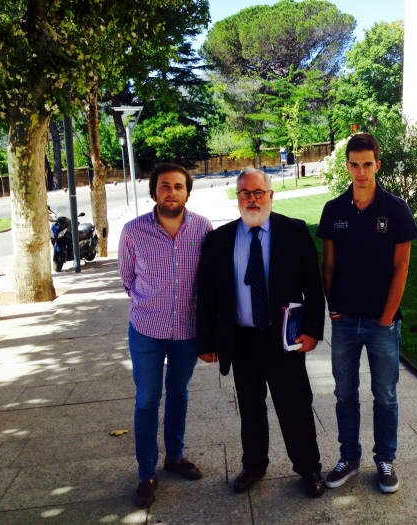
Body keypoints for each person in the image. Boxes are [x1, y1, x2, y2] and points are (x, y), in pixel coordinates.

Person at [196, 167, 326, 498]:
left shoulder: (294, 232)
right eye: (244, 193)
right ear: (236, 197)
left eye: (258, 193)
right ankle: (254, 465)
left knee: (295, 405)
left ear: (270, 195)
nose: (251, 200)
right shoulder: (219, 240)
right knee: (251, 407)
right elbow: (208, 294)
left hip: (283, 338)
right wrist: (207, 341)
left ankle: (309, 468)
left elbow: (313, 284)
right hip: (242, 340)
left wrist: (313, 330)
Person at [316, 133, 417, 494]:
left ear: (378, 164)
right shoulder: (334, 210)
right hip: (345, 322)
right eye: (354, 164)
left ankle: (385, 459)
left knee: (385, 395)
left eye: (367, 164)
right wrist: (333, 307)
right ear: (346, 166)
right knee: (345, 393)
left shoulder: (395, 209)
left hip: (382, 323)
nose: (361, 172)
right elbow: (327, 265)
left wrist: (388, 316)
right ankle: (349, 456)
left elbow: (402, 268)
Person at [118, 163, 213, 508]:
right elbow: (128, 279)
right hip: (147, 329)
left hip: (188, 329)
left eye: (177, 186)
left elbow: (210, 281)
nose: (170, 192)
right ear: (154, 191)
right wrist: (152, 303)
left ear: (187, 191)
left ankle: (174, 457)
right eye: (163, 186)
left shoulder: (202, 228)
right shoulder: (133, 231)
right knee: (147, 399)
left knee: (179, 392)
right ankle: (146, 472)